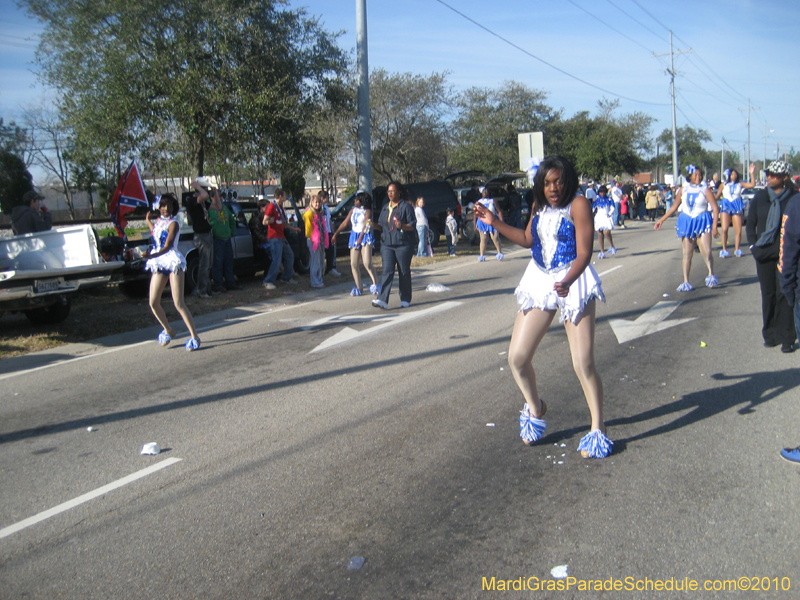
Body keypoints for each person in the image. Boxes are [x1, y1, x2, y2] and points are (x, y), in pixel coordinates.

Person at [474, 155, 611, 459]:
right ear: (540, 183)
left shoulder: (578, 204)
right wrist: (494, 222)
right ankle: (536, 407)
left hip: (573, 279)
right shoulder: (538, 206)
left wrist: (569, 280)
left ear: (567, 181)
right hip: (540, 278)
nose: (553, 188)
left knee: (583, 363)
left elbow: (585, 251)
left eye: (558, 181)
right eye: (547, 182)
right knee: (517, 357)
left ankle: (597, 429)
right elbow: (526, 239)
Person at [746, 160, 797, 353]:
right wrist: (753, 246)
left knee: (785, 294)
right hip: (764, 253)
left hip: (786, 254)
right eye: (768, 174)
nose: (769, 178)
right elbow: (751, 224)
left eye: (774, 175)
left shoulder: (793, 198)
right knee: (768, 295)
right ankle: (770, 333)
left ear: (785, 177)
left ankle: (787, 337)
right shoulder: (760, 197)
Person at [142, 194, 201, 351]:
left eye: (169, 206)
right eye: (163, 206)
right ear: (159, 207)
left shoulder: (174, 223)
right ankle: (168, 329)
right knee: (153, 302)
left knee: (178, 303)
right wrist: (148, 221)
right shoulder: (159, 222)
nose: (166, 209)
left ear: (174, 208)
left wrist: (150, 255)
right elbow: (156, 234)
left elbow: (167, 245)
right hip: (159, 261)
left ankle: (194, 336)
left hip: (171, 260)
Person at [654, 165, 720, 292]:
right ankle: (686, 281)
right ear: (689, 176)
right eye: (695, 175)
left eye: (700, 175)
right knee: (687, 253)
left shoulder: (705, 189)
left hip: (702, 220)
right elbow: (674, 207)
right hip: (686, 221)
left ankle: (711, 273)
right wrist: (661, 220)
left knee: (706, 251)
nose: (698, 177)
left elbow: (715, 208)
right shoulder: (683, 189)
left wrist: (714, 226)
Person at [371, 181, 416, 309]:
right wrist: (374, 225)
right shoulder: (385, 207)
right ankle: (382, 300)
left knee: (404, 272)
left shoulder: (405, 207)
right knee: (387, 271)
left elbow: (412, 225)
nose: (390, 193)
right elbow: (382, 226)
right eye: (389, 191)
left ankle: (405, 298)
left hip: (403, 244)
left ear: (399, 192)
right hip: (387, 245)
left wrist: (402, 225)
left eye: (393, 191)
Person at [331, 190, 379, 296]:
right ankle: (358, 287)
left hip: (365, 236)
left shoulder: (367, 211)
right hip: (354, 235)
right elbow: (345, 223)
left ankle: (375, 284)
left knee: (367, 263)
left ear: (362, 201)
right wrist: (336, 234)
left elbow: (366, 224)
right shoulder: (352, 210)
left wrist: (360, 238)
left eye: (357, 199)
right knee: (353, 263)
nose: (355, 201)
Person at [715, 166, 757, 258]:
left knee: (738, 230)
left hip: (737, 205)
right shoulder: (723, 184)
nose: (734, 175)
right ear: (728, 175)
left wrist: (752, 173)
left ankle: (737, 249)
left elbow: (752, 184)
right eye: (732, 174)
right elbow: (717, 195)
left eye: (735, 174)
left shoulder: (740, 184)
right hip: (726, 205)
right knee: (724, 229)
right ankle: (724, 249)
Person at [262, 188, 299, 290]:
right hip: (274, 237)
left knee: (290, 255)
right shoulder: (271, 207)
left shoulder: (280, 207)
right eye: (284, 195)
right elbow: (264, 221)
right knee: (277, 259)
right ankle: (268, 281)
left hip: (281, 236)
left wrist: (293, 228)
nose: (286, 197)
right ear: (280, 196)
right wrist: (270, 221)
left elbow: (283, 223)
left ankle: (286, 277)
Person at [207, 188, 239, 293]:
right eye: (218, 196)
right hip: (217, 239)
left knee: (228, 262)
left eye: (221, 196)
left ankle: (230, 282)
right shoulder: (209, 208)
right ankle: (218, 285)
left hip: (227, 238)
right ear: (212, 197)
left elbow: (232, 221)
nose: (220, 198)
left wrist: (231, 232)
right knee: (218, 263)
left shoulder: (225, 207)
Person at [187, 178, 213, 298]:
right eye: (205, 188)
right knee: (204, 263)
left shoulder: (203, 202)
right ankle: (201, 290)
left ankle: (206, 288)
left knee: (209, 263)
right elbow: (204, 195)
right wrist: (198, 187)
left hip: (208, 232)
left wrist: (215, 192)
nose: (206, 190)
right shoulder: (193, 200)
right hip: (201, 234)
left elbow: (217, 205)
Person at [303, 192, 329, 288]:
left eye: (319, 202)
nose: (317, 204)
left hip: (320, 239)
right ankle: (315, 282)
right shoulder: (309, 213)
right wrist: (313, 239)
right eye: (315, 203)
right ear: (312, 203)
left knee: (321, 260)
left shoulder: (319, 213)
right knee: (315, 261)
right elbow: (308, 230)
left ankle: (319, 279)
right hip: (313, 240)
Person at [474, 188, 504, 261]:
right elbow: (475, 214)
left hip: (493, 221)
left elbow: (499, 211)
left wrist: (501, 221)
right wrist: (474, 225)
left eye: (487, 191)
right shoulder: (478, 202)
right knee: (483, 239)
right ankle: (481, 255)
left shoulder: (493, 201)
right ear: (481, 193)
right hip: (482, 222)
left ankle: (499, 253)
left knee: (495, 237)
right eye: (484, 191)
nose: (485, 192)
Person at [320, 190, 341, 277]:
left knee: (331, 251)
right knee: (321, 253)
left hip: (328, 232)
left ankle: (330, 268)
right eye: (327, 197)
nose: (328, 199)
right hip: (321, 233)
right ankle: (320, 270)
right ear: (323, 198)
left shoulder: (327, 208)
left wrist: (333, 232)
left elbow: (329, 220)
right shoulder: (318, 208)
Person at [592, 185, 617, 258]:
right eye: (601, 192)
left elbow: (613, 207)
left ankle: (612, 246)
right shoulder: (596, 199)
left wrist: (609, 214)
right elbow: (593, 208)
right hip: (599, 217)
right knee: (600, 234)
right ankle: (602, 252)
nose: (602, 194)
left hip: (606, 216)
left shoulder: (609, 199)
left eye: (603, 192)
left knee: (607, 232)